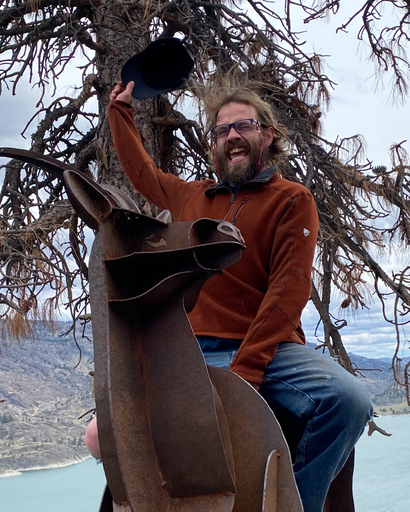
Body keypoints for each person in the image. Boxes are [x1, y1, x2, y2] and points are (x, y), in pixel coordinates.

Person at [86, 80, 373, 512]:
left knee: (349, 401)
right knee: (99, 436)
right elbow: (141, 172)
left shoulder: (292, 199)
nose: (232, 136)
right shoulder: (191, 196)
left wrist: (247, 370)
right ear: (215, 144)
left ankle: (296, 503)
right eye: (221, 131)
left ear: (267, 135)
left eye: (243, 126)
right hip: (190, 349)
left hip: (269, 350)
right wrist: (120, 112)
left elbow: (288, 292)